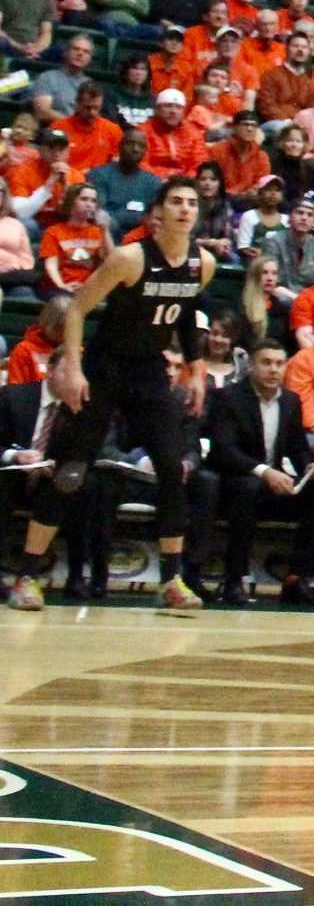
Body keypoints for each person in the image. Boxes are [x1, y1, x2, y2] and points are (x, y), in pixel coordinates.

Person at [9, 178, 217, 613]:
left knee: (173, 468)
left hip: (149, 372)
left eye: (191, 203)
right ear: (158, 212)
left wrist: (196, 369)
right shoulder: (129, 257)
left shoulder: (203, 263)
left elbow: (183, 319)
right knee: (70, 470)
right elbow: (79, 307)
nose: (184, 209)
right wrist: (72, 365)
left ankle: (172, 579)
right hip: (105, 367)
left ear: (199, 212)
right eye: (175, 201)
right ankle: (28, 575)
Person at [203, 342, 314, 604]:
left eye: (279, 364)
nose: (274, 370)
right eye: (266, 363)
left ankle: (298, 578)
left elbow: (297, 448)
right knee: (248, 488)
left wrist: (310, 466)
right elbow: (224, 451)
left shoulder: (291, 400)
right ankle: (234, 581)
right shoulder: (228, 398)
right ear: (251, 366)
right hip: (235, 482)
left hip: (274, 484)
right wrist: (265, 472)